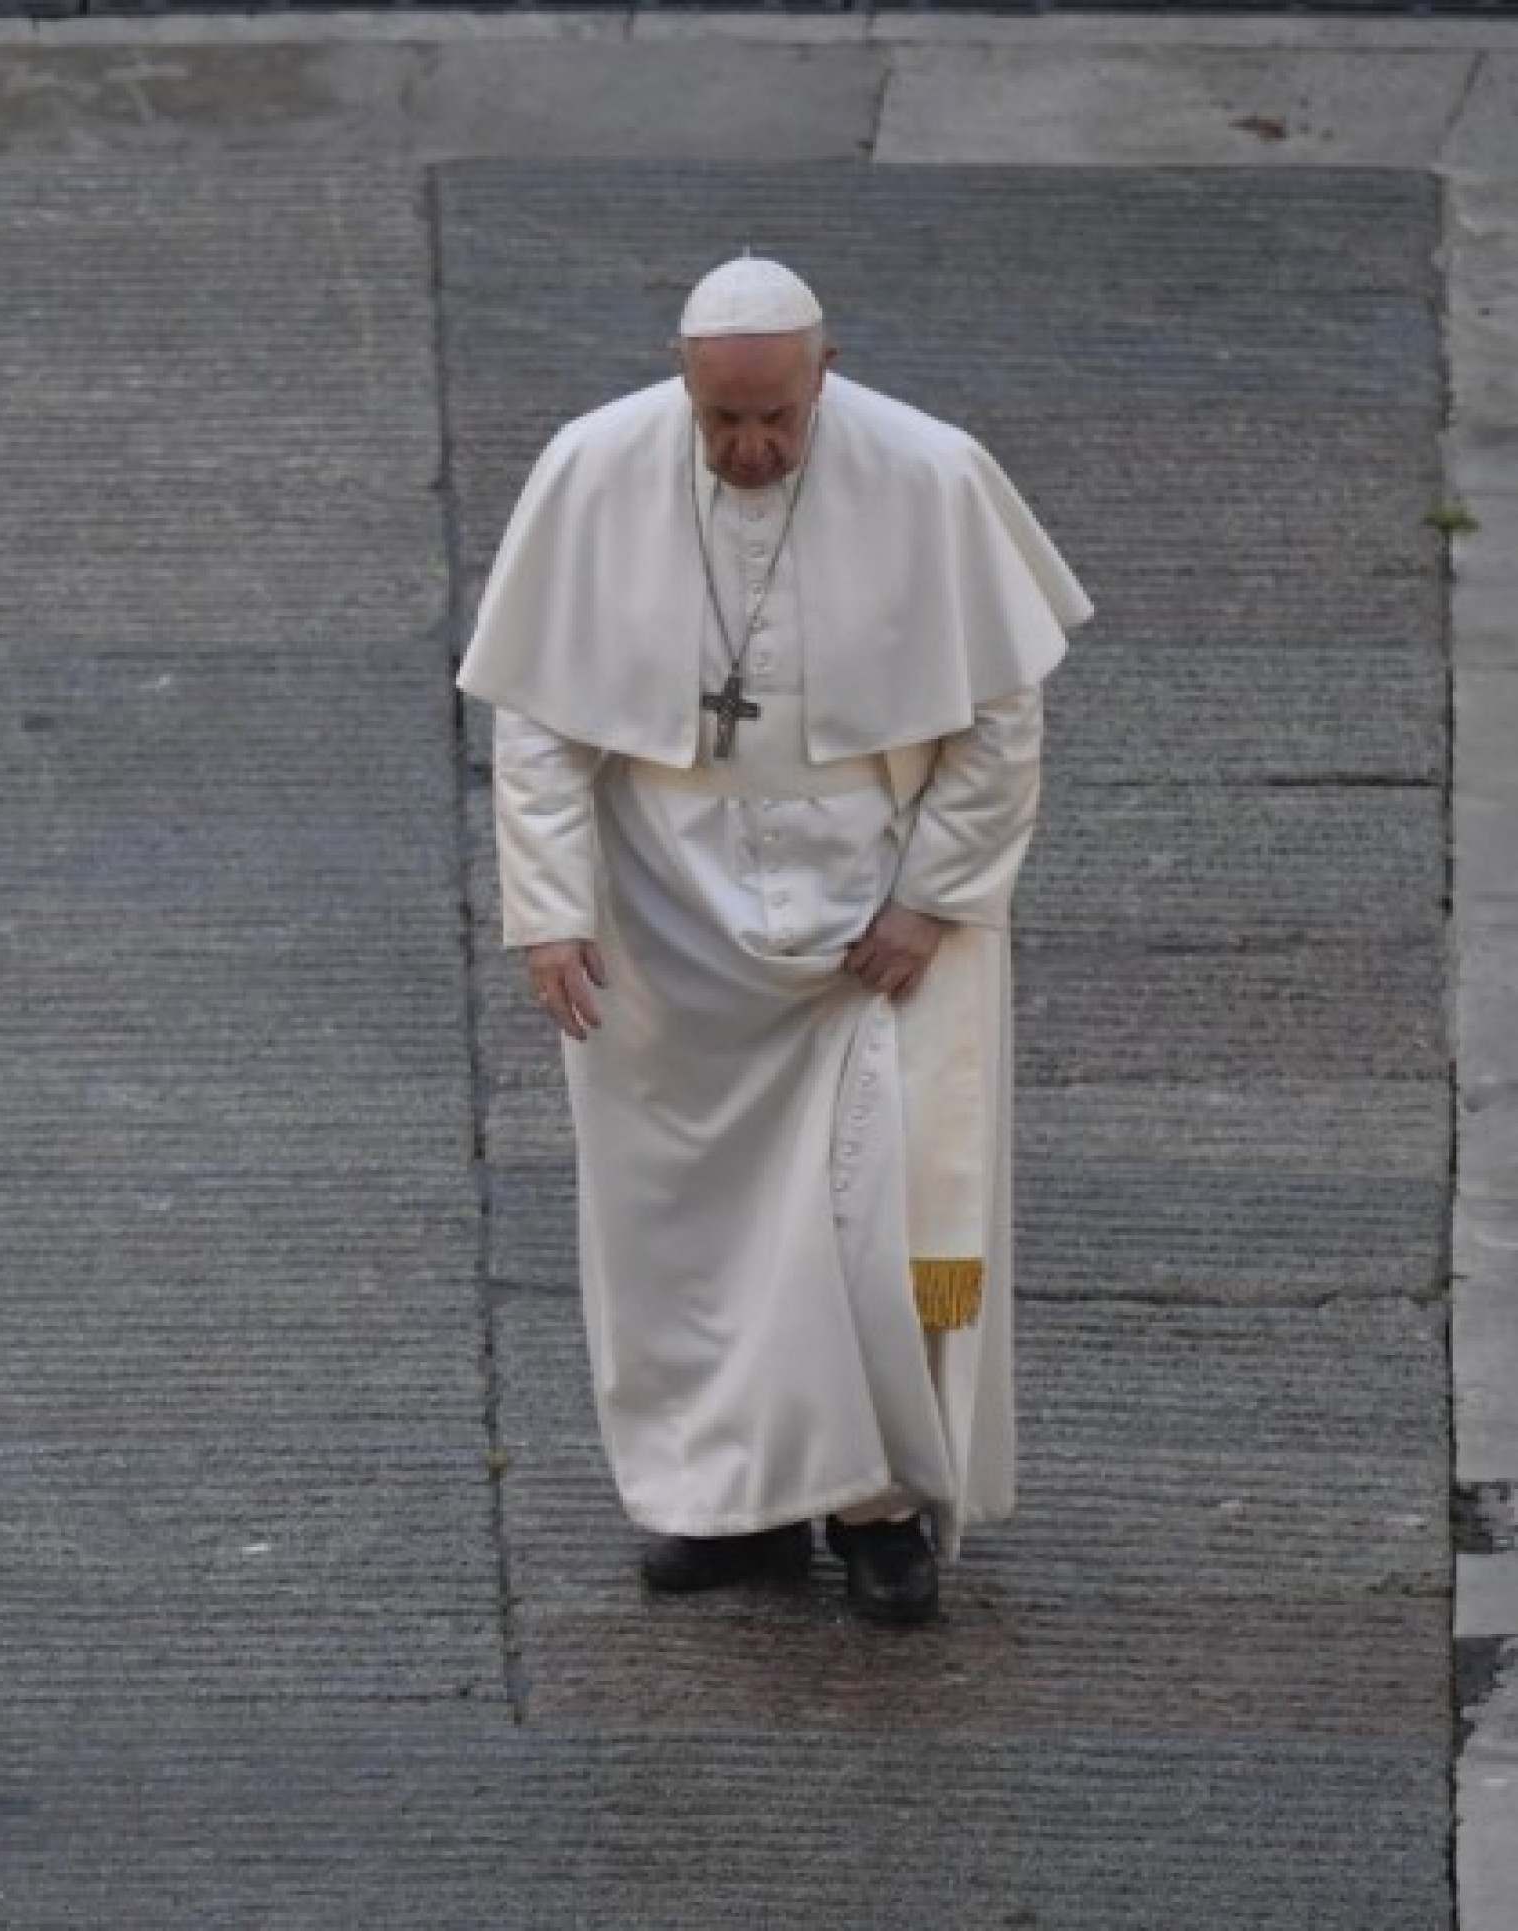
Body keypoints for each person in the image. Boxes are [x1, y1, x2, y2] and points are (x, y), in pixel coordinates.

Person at [457, 255, 1090, 1627]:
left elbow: (999, 718)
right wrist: (552, 908)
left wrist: (932, 896)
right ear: (685, 385)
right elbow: (543, 724)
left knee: (866, 1222)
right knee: (681, 1234)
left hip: (875, 924)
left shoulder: (929, 476)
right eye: (720, 423)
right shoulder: (593, 467)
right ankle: (721, 1502)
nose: (748, 450)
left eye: (774, 423)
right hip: (668, 920)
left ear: (826, 372)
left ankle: (874, 1512)